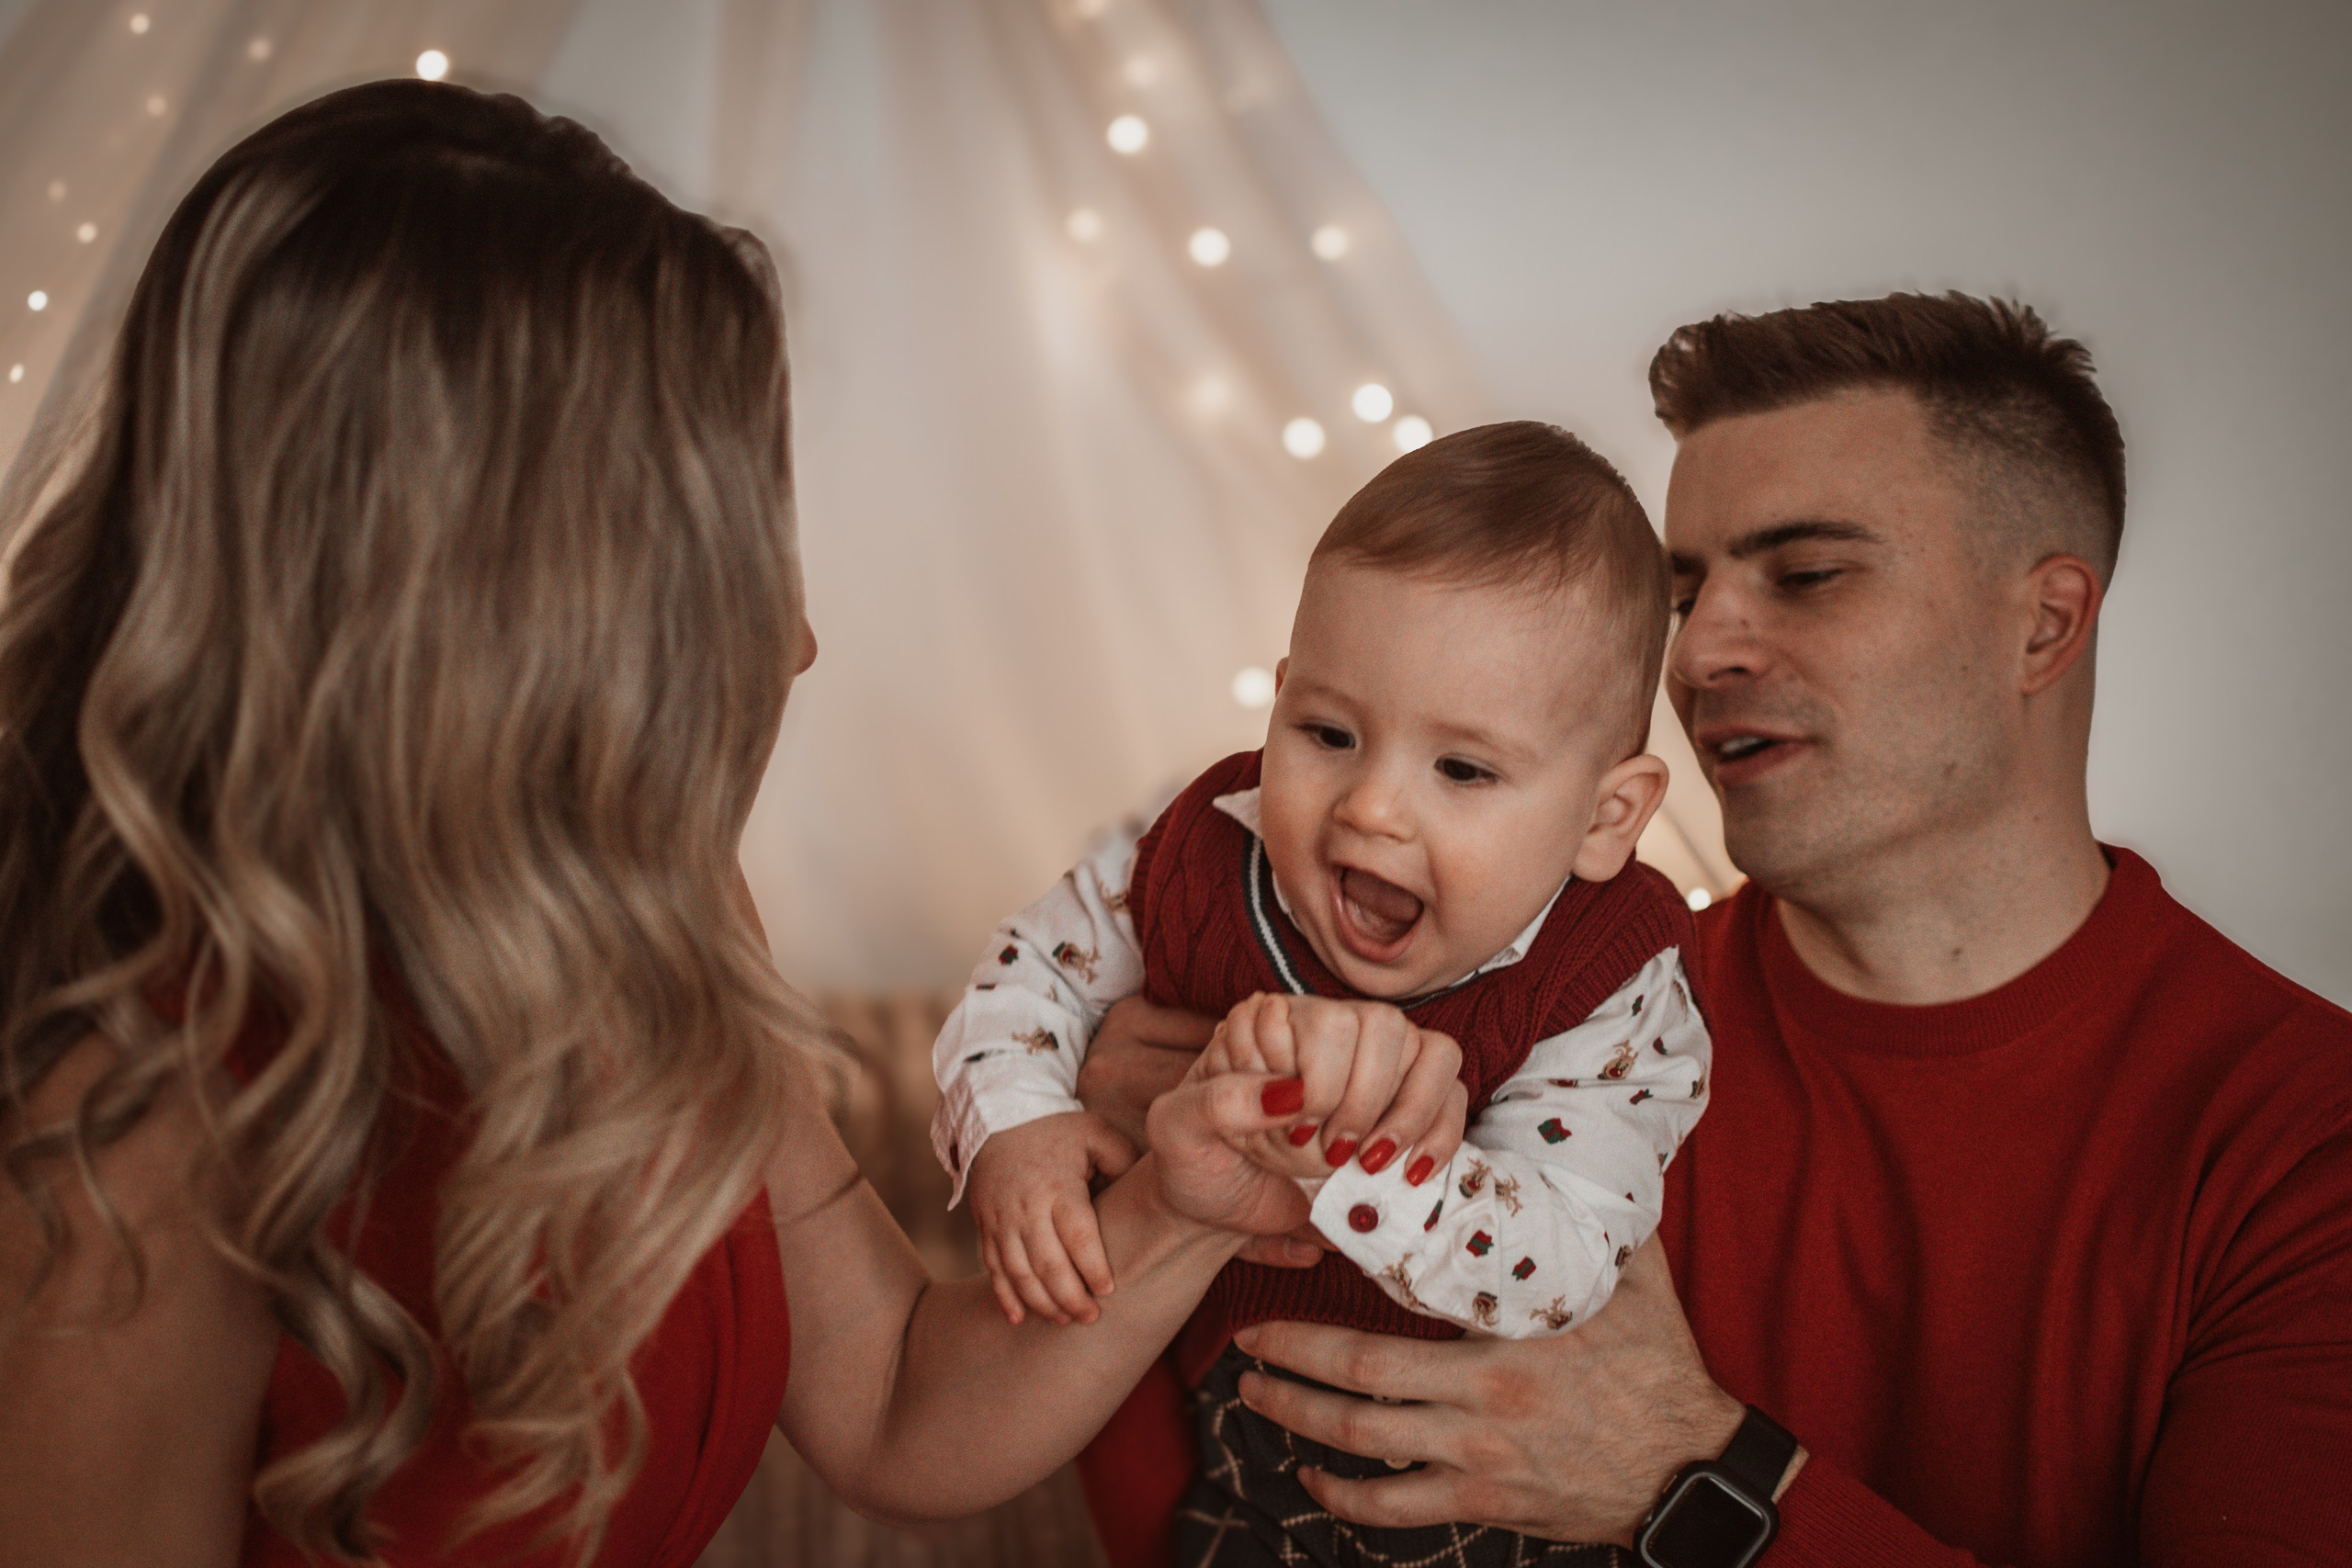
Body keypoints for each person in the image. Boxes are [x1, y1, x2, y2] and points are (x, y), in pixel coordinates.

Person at [0, 80, 1431, 1568]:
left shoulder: (664, 919)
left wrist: (1184, 1204)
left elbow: (891, 1399)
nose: (798, 640)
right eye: (725, 547)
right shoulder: (129, 1134)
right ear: (515, 600)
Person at [1071, 294, 2352, 1566]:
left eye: (1807, 574)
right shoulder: (1535, 1009)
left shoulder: (2306, 1143)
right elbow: (1190, 1462)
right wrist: (1151, 1184)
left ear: (2046, 623)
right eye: (1687, 593)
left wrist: (1700, 1478)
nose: (1703, 652)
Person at [932, 424, 1713, 1564]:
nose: (1371, 810)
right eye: (1329, 734)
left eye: (1462, 769)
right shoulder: (1201, 857)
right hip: (1244, 1447)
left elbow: (1562, 1257)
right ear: (1279, 701)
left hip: (1510, 1499)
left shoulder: (1616, 984)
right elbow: (1027, 976)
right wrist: (1021, 1121)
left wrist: (1336, 1153)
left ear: (1607, 817)